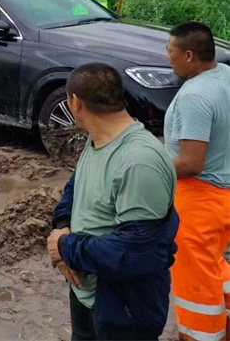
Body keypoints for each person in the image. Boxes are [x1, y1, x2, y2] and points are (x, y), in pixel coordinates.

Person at [48, 63, 178, 340]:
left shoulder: (139, 162)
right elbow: (76, 186)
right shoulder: (98, 139)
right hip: (87, 294)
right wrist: (61, 226)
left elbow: (135, 253)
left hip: (125, 309)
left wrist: (64, 246)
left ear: (75, 102)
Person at [165, 21, 230, 341]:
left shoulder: (194, 96)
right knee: (220, 274)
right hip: (225, 195)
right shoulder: (226, 76)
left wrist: (152, 166)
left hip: (199, 201)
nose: (167, 57)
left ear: (189, 55)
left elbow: (191, 162)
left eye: (170, 52)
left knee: (196, 295)